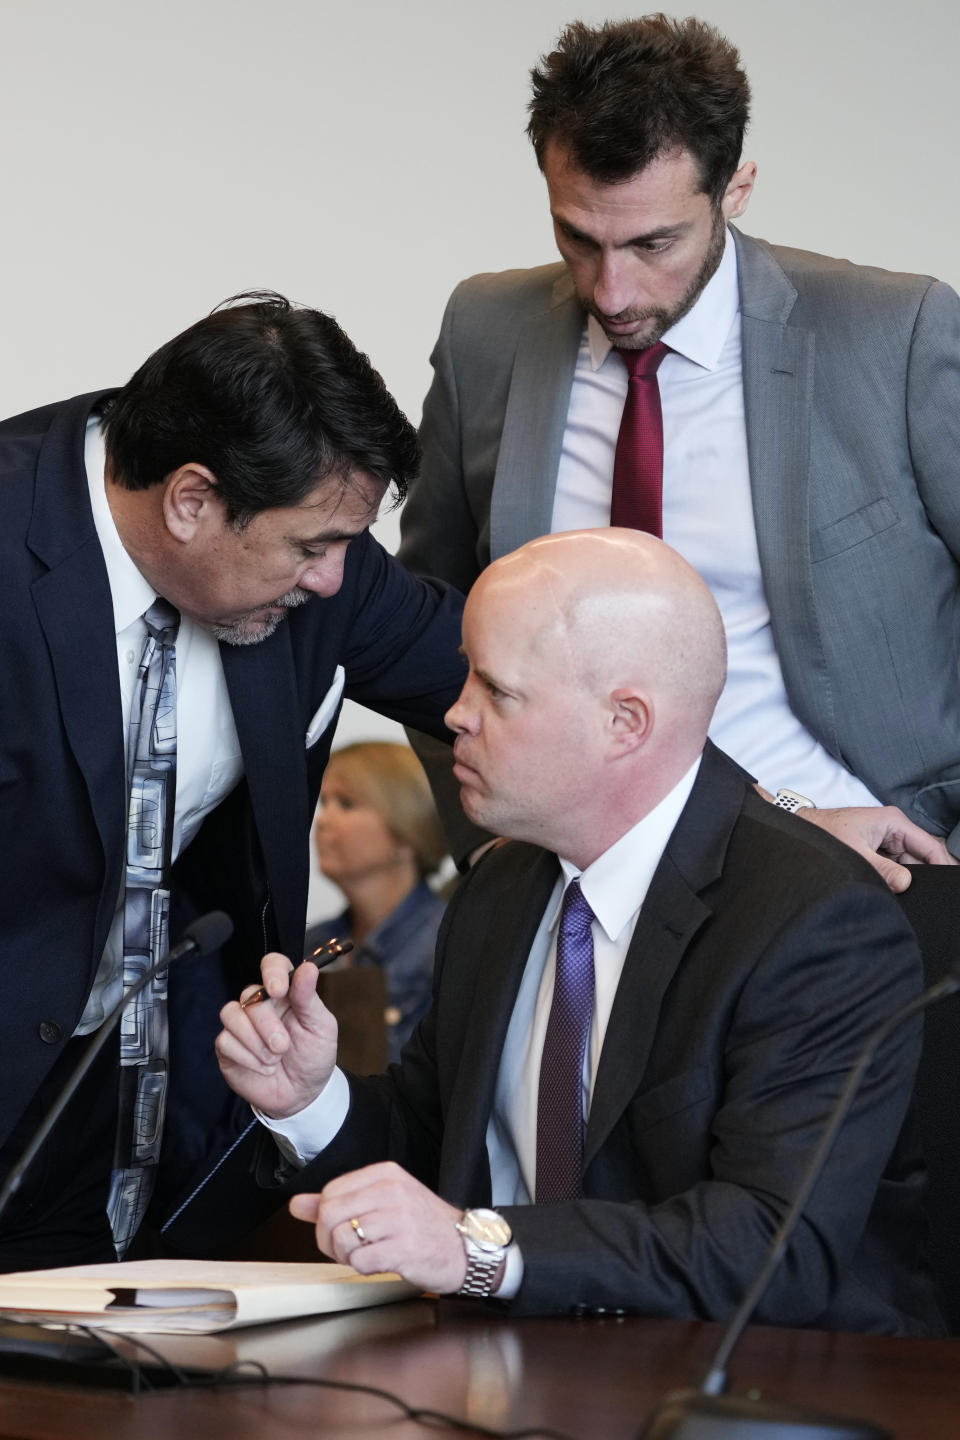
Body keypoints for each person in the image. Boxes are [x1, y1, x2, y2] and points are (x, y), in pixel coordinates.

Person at [210, 529, 941, 1335]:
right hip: (500, 1372)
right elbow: (434, 1148)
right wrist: (312, 1099)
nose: (455, 714)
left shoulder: (812, 920)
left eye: (498, 691)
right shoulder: (499, 887)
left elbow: (774, 1246)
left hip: (750, 1391)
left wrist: (483, 1249)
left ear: (625, 722)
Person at [396, 14, 960, 892]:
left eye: (652, 244)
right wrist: (483, 837)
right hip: (572, 881)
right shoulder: (486, 333)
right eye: (578, 238)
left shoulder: (894, 335)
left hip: (857, 864)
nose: (612, 291)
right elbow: (430, 617)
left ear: (735, 189)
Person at [0, 291, 466, 1271]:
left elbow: (537, 688)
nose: (335, 580)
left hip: (141, 1136)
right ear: (192, 500)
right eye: (312, 548)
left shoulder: (325, 576)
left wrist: (776, 810)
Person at [304, 741, 448, 1061]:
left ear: (407, 830)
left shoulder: (448, 948)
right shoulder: (314, 946)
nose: (323, 820)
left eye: (346, 803)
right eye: (324, 802)